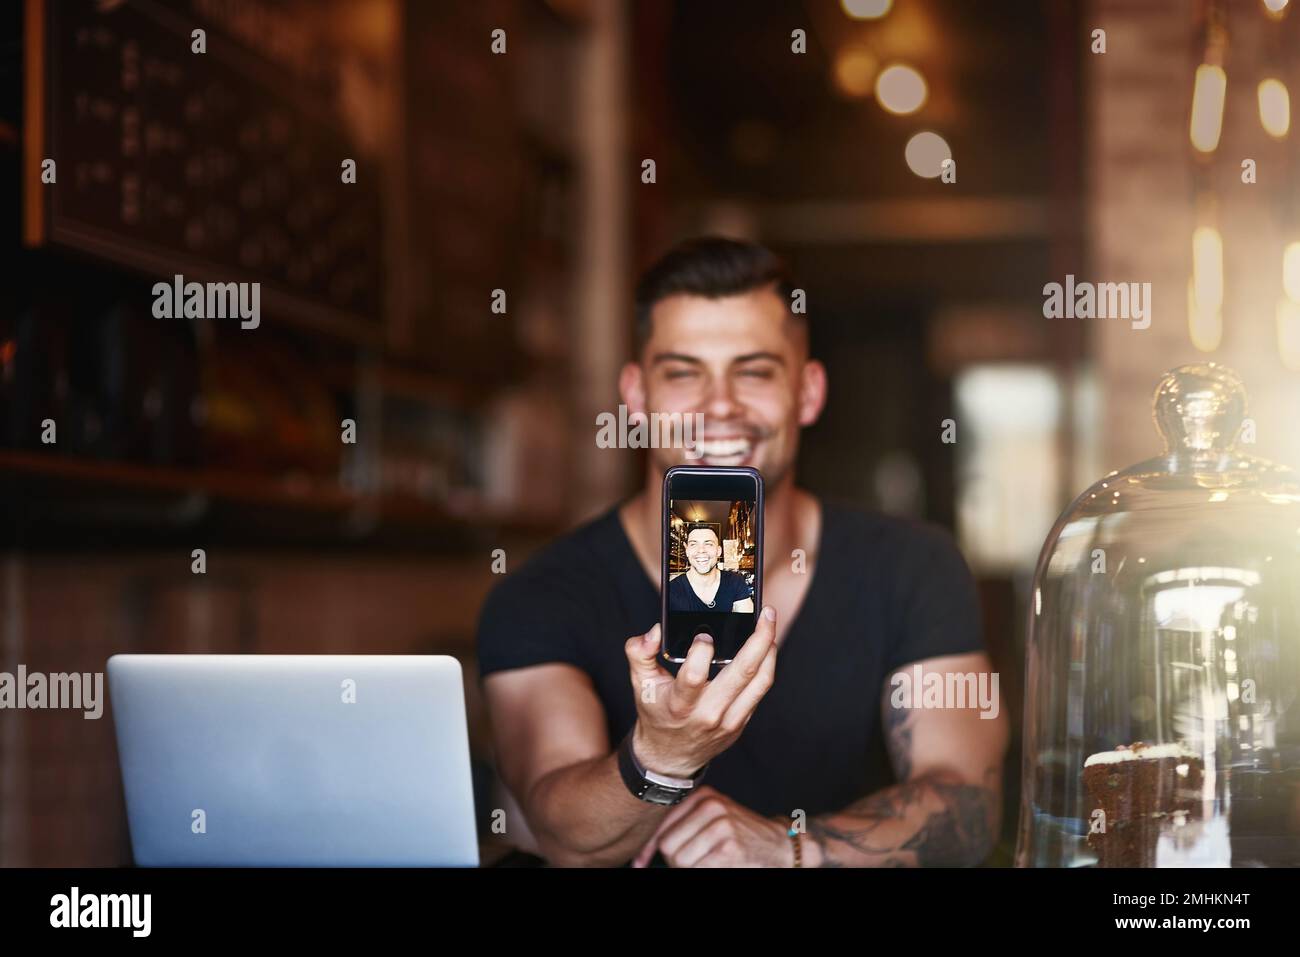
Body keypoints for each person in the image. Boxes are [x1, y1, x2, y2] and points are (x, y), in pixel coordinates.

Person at [477, 236, 1009, 867]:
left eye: (753, 370)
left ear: (808, 394)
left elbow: (968, 801)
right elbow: (564, 834)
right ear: (638, 397)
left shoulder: (914, 566)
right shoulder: (541, 594)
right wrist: (662, 757)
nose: (720, 405)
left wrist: (793, 850)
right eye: (683, 372)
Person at [668, 525, 754, 612]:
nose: (701, 550)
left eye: (709, 544)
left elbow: (746, 621)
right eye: (693, 544)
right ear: (687, 551)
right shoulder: (671, 589)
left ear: (719, 551)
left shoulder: (735, 581)